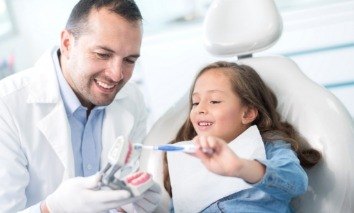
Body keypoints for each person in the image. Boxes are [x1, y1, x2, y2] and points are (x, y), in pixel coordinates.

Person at [0, 0, 161, 212]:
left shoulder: (132, 100)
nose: (116, 74)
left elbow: (122, 187)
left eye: (129, 60)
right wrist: (52, 208)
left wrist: (128, 207)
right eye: (103, 54)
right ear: (67, 43)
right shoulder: (7, 106)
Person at [163, 61, 321, 212]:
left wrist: (241, 167)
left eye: (214, 101)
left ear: (247, 113)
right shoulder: (186, 159)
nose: (200, 109)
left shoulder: (268, 145)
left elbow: (296, 182)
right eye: (196, 102)